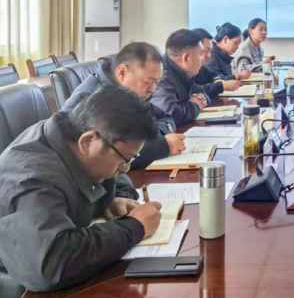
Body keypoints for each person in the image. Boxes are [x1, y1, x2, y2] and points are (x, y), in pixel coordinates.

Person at [0, 85, 164, 292]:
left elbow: (115, 173)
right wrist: (134, 227)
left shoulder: (73, 136)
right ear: (87, 141)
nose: (126, 169)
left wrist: (115, 197)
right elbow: (49, 265)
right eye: (125, 159)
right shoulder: (33, 180)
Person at [61, 42, 187, 168]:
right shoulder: (90, 99)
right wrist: (161, 145)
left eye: (156, 83)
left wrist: (153, 135)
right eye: (148, 82)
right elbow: (100, 155)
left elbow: (164, 117)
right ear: (122, 72)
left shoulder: (129, 92)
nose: (152, 90)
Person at [151, 29, 210, 126]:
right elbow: (169, 115)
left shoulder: (184, 74)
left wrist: (201, 100)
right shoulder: (162, 77)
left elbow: (201, 91)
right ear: (186, 58)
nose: (203, 59)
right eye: (200, 55)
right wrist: (195, 106)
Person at [191, 27, 244, 96]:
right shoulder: (183, 72)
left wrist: (218, 80)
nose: (209, 56)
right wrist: (221, 85)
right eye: (206, 51)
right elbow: (193, 91)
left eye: (210, 51)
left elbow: (212, 75)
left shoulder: (200, 68)